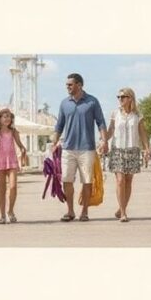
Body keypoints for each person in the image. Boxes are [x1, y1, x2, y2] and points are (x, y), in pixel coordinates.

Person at [54, 73, 107, 222]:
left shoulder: (92, 101)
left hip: (87, 149)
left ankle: (84, 212)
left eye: (70, 84)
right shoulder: (64, 103)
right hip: (68, 149)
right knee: (66, 180)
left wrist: (104, 141)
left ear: (79, 85)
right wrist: (54, 143)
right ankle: (70, 211)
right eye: (67, 85)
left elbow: (101, 122)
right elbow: (59, 126)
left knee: (87, 181)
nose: (67, 87)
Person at [104, 87, 149, 222]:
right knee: (120, 180)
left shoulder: (137, 115)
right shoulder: (115, 113)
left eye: (123, 97)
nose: (120, 99)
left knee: (128, 181)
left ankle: (121, 207)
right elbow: (110, 131)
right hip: (117, 150)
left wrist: (147, 148)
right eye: (118, 97)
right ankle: (123, 213)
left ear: (130, 98)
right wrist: (103, 141)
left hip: (132, 150)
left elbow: (142, 133)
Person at [0, 108, 28, 224]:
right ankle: (2, 215)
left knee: (13, 187)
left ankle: (11, 211)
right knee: (2, 190)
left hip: (12, 161)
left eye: (9, 116)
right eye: (5, 116)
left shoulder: (13, 131)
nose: (8, 118)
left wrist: (23, 150)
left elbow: (20, 145)